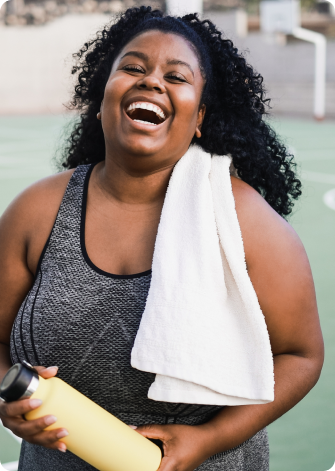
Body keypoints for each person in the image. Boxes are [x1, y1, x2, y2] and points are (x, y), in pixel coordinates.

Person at [0, 6, 324, 471]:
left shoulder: (243, 219)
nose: (152, 81)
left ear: (200, 117)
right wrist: (8, 401)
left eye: (177, 77)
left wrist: (209, 440)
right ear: (101, 96)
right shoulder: (36, 211)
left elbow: (302, 355)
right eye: (133, 67)